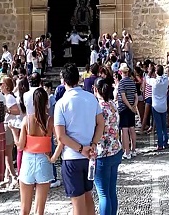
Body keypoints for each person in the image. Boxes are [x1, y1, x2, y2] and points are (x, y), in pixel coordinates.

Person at [54, 63, 105, 215]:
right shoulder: (91, 98)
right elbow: (100, 123)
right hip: (89, 156)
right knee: (88, 197)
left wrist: (81, 149)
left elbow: (61, 136)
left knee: (77, 204)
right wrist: (93, 144)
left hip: (72, 157)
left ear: (63, 81)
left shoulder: (61, 103)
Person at [17, 88, 54, 215]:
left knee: (24, 209)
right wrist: (54, 157)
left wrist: (13, 131)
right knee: (40, 211)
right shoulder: (50, 121)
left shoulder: (27, 120)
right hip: (44, 160)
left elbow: (20, 146)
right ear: (46, 102)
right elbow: (59, 139)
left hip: (28, 160)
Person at [92, 77, 123, 215]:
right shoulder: (113, 105)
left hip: (102, 152)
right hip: (115, 149)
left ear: (95, 89)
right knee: (111, 191)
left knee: (103, 194)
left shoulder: (97, 108)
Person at [116, 63, 138, 159]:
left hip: (124, 108)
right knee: (132, 128)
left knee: (124, 130)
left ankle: (127, 151)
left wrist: (129, 106)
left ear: (121, 72)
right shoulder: (132, 82)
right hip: (131, 108)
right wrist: (134, 106)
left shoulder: (121, 83)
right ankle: (133, 150)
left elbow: (123, 97)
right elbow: (136, 96)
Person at [147, 65, 169, 150]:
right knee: (164, 125)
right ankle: (165, 142)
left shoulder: (154, 81)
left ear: (156, 72)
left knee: (158, 126)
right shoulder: (166, 80)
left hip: (156, 105)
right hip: (163, 105)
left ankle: (160, 144)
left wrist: (149, 71)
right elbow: (166, 75)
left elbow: (147, 78)